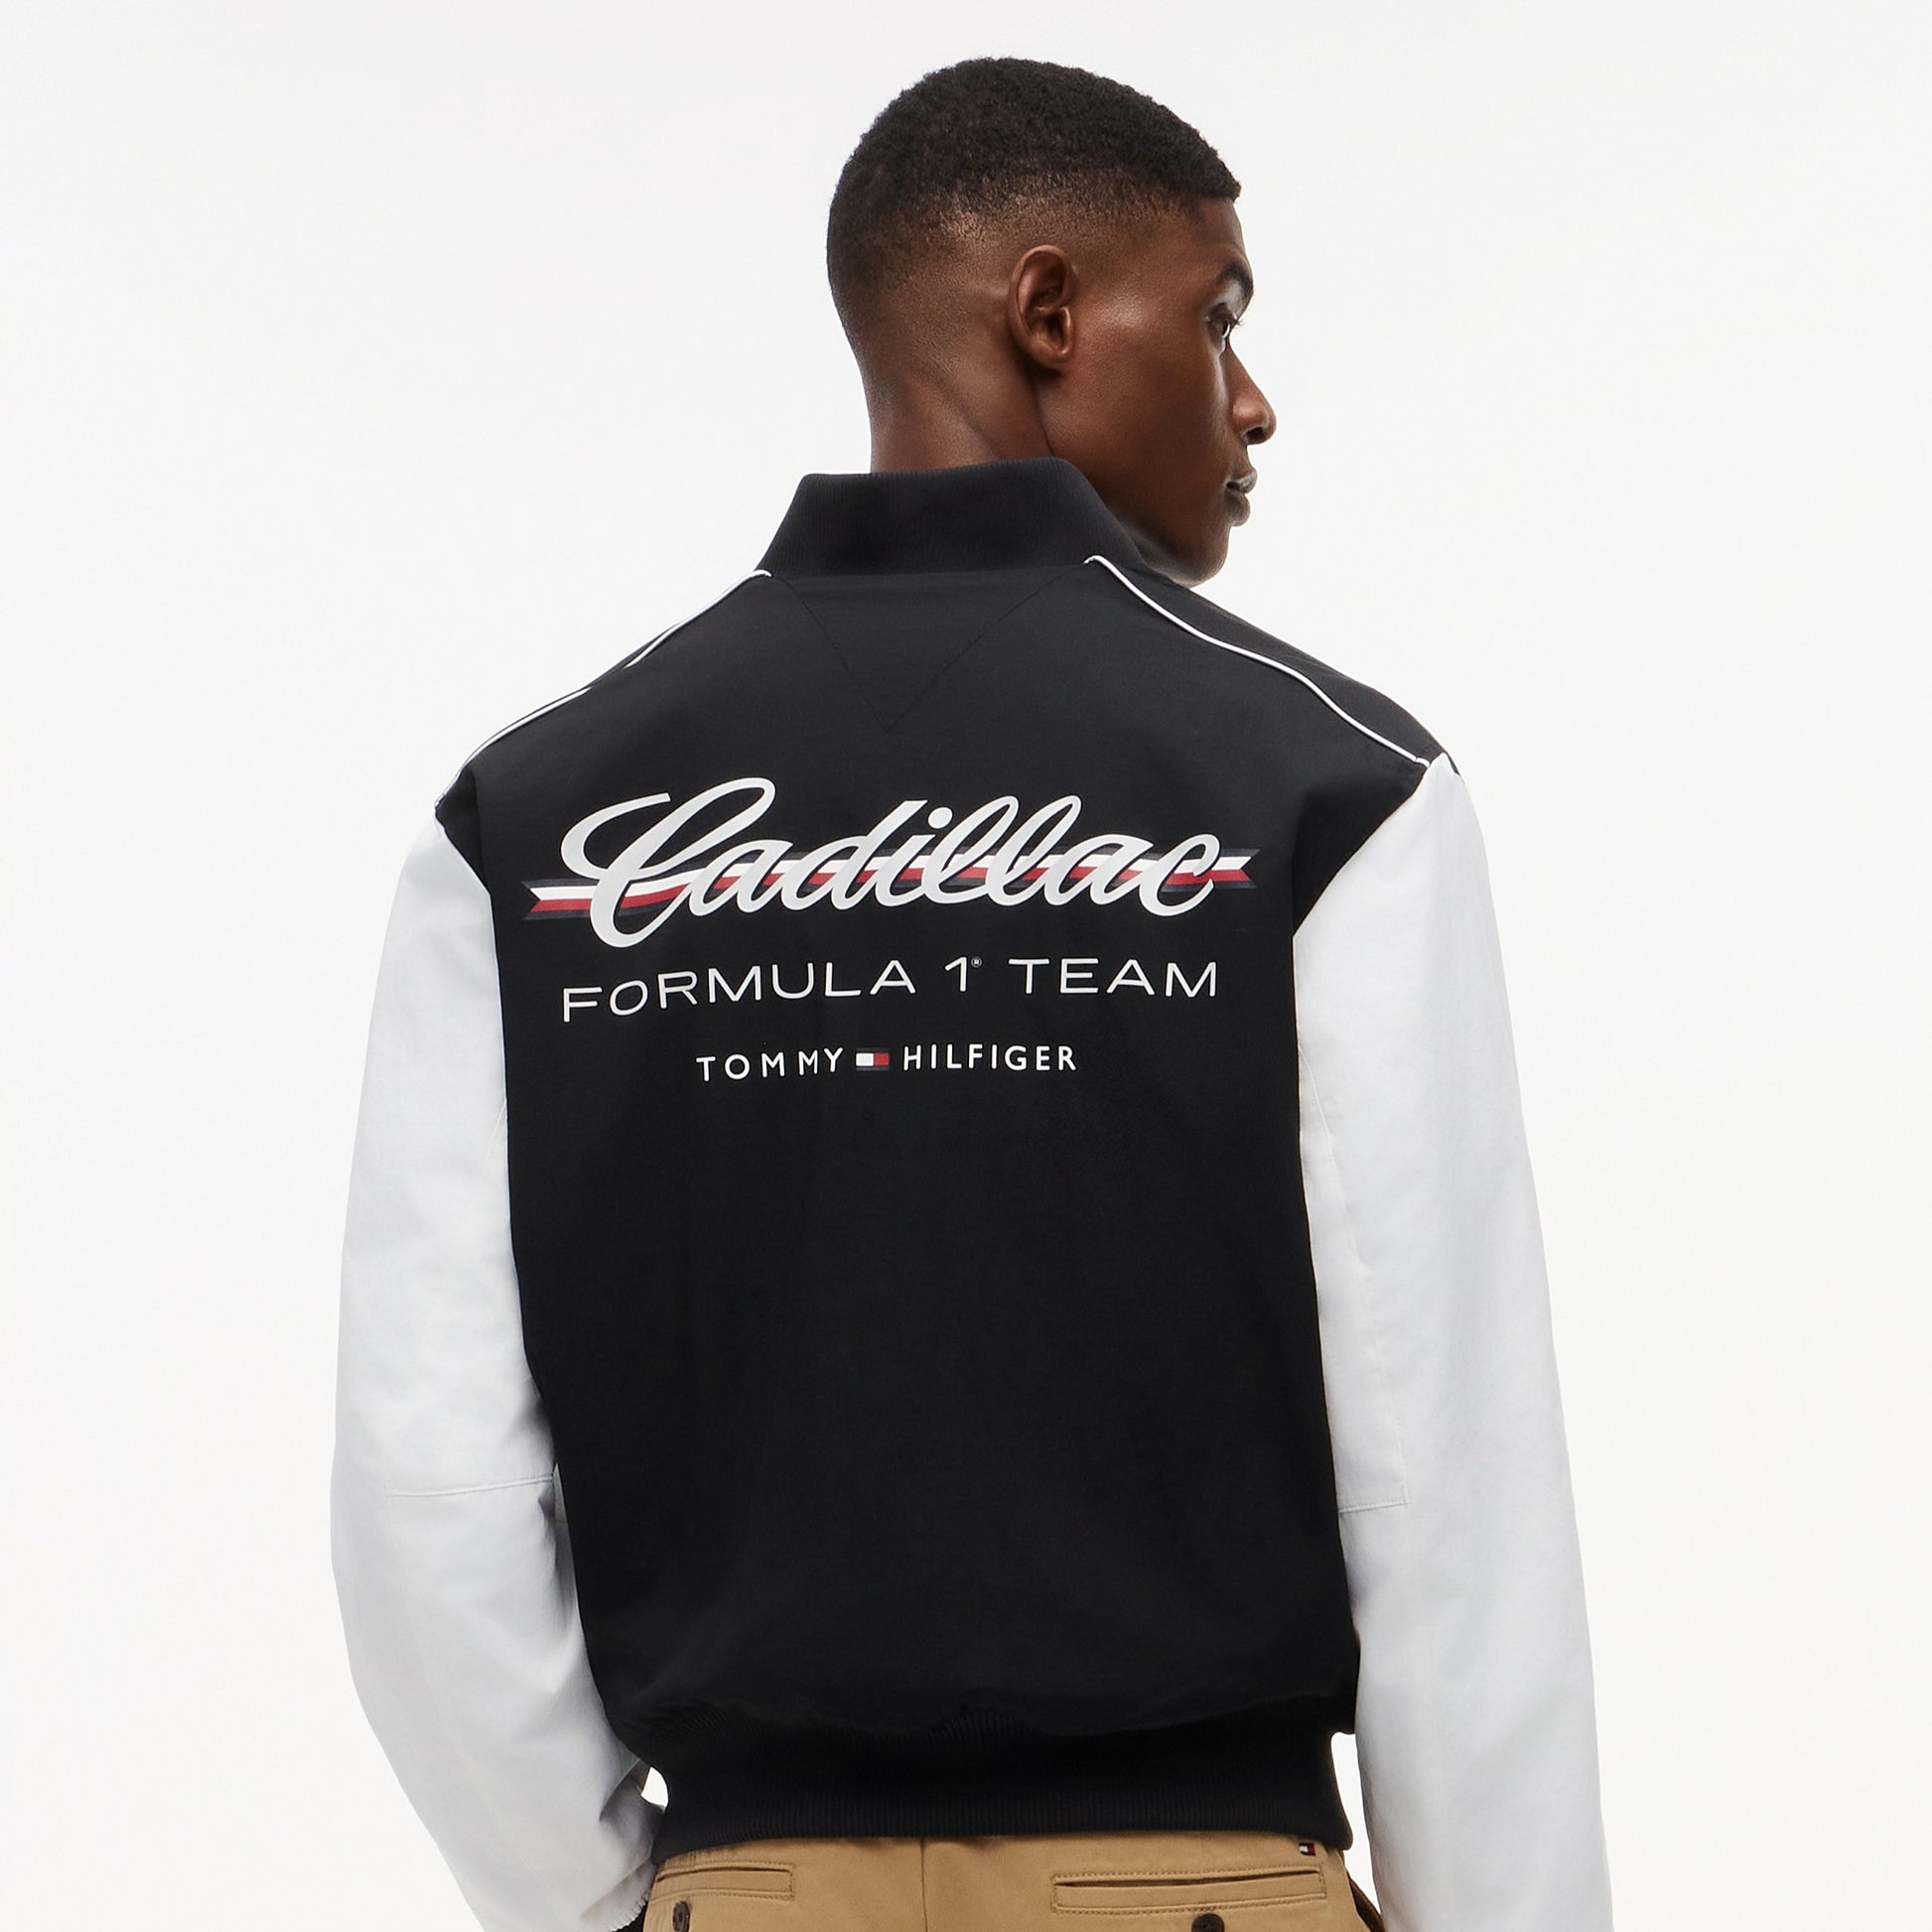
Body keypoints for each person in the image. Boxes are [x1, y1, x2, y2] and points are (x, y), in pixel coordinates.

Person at [331, 55, 1614, 1932]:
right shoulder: (1325, 788)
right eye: (1219, 316)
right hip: (1197, 1890)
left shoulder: (529, 821)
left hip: (748, 1895)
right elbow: (1449, 1494)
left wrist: (613, 1903)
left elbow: (426, 1479)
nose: (1253, 397)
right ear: (1047, 312)